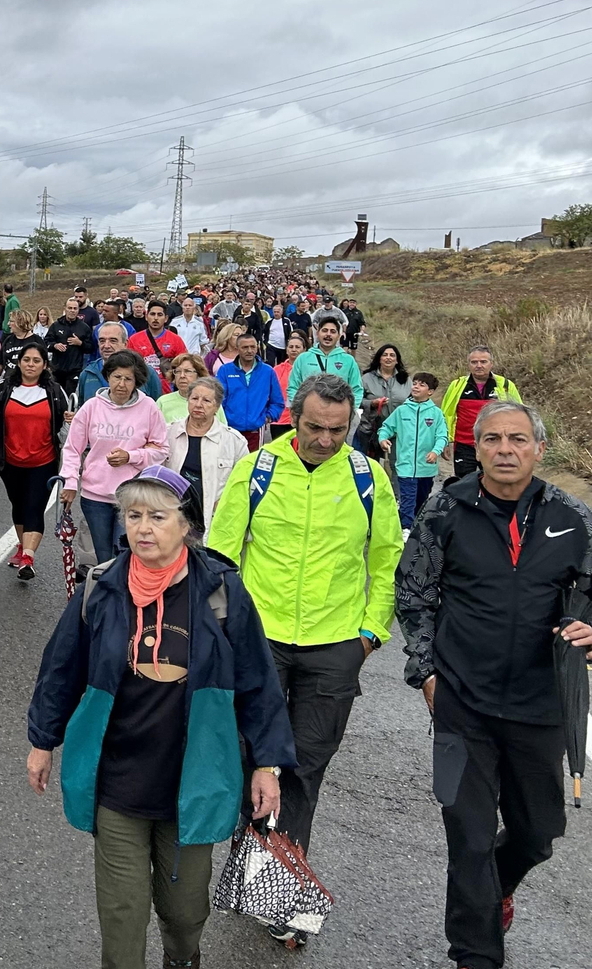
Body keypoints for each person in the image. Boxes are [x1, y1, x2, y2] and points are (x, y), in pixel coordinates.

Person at [26, 467, 292, 969]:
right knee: (121, 917)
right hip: (118, 780)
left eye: (158, 516)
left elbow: (259, 684)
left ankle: (181, 958)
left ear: (187, 524)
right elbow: (61, 668)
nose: (143, 528)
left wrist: (266, 764)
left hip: (193, 779)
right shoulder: (101, 587)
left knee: (186, 913)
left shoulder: (222, 594)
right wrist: (43, 741)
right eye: (133, 515)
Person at [205, 374, 401, 947]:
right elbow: (219, 556)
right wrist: (224, 630)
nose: (324, 439)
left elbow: (387, 558)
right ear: (294, 415)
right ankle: (257, 861)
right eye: (314, 427)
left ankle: (280, 898)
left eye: (337, 430)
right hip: (259, 642)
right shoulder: (258, 469)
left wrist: (370, 634)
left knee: (302, 771)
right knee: (253, 763)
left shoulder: (368, 477)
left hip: (336, 645)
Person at [397, 401, 592, 969]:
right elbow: (412, 593)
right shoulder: (445, 509)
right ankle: (476, 954)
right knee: (470, 839)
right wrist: (425, 672)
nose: (506, 449)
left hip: (541, 706)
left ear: (538, 448)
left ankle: (496, 889)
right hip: (463, 704)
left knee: (538, 833)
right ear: (475, 447)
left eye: (518, 439)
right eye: (493, 440)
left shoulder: (574, 516)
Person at [61, 352, 169, 562]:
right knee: (103, 557)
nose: (121, 384)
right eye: (116, 377)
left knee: (126, 555)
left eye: (128, 379)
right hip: (95, 496)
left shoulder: (149, 408)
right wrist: (70, 482)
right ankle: (109, 593)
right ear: (108, 377)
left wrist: (131, 456)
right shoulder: (91, 407)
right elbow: (72, 447)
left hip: (133, 496)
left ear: (136, 381)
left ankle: (126, 594)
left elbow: (162, 450)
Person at [0, 342, 69, 579]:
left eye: (36, 361)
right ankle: (21, 545)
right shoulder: (4, 389)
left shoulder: (55, 392)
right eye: (27, 360)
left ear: (45, 365)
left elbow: (65, 426)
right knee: (18, 505)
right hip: (10, 461)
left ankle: (28, 557)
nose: (31, 365)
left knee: (34, 506)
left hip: (43, 461)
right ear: (19, 362)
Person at [167, 377, 248, 535]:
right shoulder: (168, 433)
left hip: (215, 522)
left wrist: (227, 502)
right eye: (194, 398)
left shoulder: (234, 441)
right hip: (173, 519)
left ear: (217, 406)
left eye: (206, 400)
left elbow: (245, 482)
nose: (198, 405)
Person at [440, 346, 523, 483]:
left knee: (495, 483)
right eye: (474, 362)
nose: (479, 366)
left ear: (491, 364)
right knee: (463, 485)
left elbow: (519, 415)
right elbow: (445, 415)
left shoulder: (506, 385)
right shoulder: (456, 386)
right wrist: (444, 441)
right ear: (468, 364)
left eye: (483, 362)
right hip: (464, 445)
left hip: (495, 444)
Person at [380, 371, 447, 530]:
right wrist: (383, 439)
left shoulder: (436, 413)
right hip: (405, 467)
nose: (416, 387)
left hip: (426, 468)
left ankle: (417, 526)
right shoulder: (402, 410)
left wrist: (435, 451)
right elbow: (386, 428)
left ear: (430, 391)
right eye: (415, 383)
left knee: (421, 500)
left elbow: (442, 436)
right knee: (407, 499)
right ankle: (405, 529)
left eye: (421, 385)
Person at [216, 333, 285, 452]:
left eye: (252, 347)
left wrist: (267, 418)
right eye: (245, 347)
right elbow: (218, 399)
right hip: (230, 429)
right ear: (237, 349)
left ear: (257, 348)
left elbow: (277, 401)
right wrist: (224, 420)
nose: (249, 351)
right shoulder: (225, 370)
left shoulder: (267, 371)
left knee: (252, 465)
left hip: (256, 430)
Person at [287, 316, 363, 420]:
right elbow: (293, 387)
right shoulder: (303, 358)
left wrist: (350, 411)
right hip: (309, 416)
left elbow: (356, 389)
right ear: (317, 333)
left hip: (337, 417)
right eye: (325, 330)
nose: (328, 334)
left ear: (339, 336)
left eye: (333, 331)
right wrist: (300, 409)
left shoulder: (348, 360)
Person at [360, 343, 411, 464]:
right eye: (385, 355)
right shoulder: (366, 378)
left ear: (397, 360)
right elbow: (355, 400)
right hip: (370, 430)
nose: (389, 358)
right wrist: (371, 403)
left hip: (397, 433)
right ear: (379, 359)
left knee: (396, 468)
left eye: (392, 355)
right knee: (368, 467)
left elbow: (413, 402)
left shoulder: (406, 380)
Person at [127, 301, 187, 393]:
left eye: (159, 315)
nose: (155, 318)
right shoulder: (134, 340)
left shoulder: (176, 340)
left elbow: (184, 365)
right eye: (152, 314)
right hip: (142, 389)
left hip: (167, 390)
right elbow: (128, 366)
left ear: (166, 318)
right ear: (146, 316)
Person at [44, 295, 94, 400]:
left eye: (75, 308)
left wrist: (80, 343)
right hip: (57, 369)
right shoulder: (56, 325)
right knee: (56, 397)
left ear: (78, 310)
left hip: (74, 369)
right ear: (65, 309)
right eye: (70, 308)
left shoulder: (84, 327)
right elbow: (46, 342)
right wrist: (55, 345)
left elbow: (90, 348)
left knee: (70, 396)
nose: (72, 311)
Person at [157, 353, 223, 426]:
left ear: (199, 374)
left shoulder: (211, 401)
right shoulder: (163, 402)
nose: (182, 376)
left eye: (188, 371)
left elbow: (223, 432)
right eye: (178, 371)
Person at [270, 330, 307, 438]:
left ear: (304, 350)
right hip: (279, 421)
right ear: (286, 350)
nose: (294, 350)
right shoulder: (276, 370)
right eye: (291, 347)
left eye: (297, 347)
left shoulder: (309, 370)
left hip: (302, 419)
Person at [169, 295, 210, 359]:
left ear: (194, 308)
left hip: (194, 357)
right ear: (182, 307)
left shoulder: (199, 323)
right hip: (178, 357)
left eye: (190, 305)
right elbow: (170, 340)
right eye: (185, 305)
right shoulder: (175, 322)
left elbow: (203, 342)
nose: (187, 307)